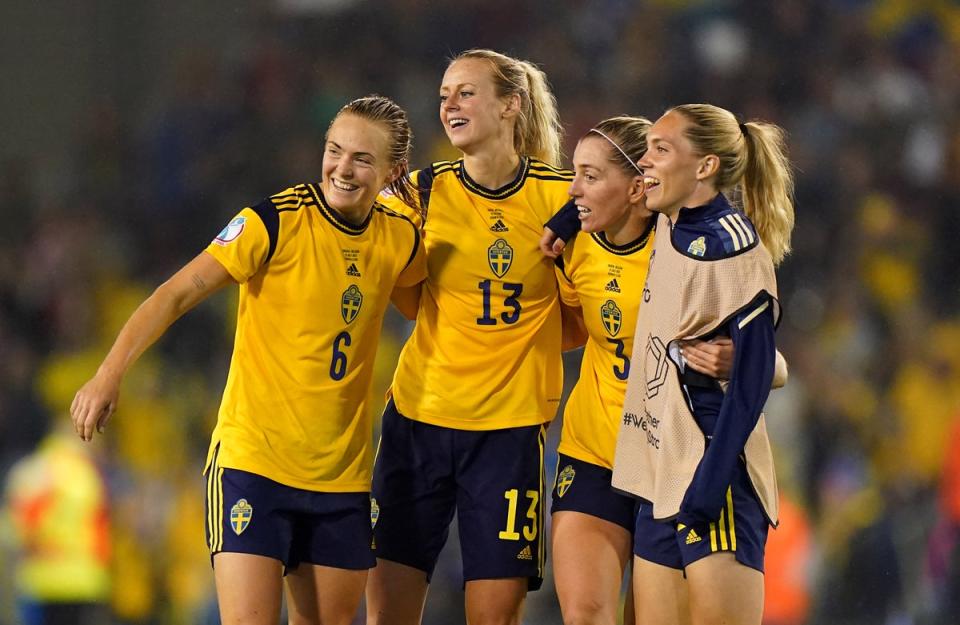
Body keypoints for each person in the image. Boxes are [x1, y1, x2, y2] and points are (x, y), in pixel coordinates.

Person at [70, 95, 426, 625]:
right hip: (252, 466)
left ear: (394, 172)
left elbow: (437, 304)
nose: (342, 169)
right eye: (334, 151)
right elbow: (173, 295)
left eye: (361, 159)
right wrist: (108, 373)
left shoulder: (399, 237)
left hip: (343, 481)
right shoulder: (273, 222)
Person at [551, 116, 787, 625]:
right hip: (620, 453)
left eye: (660, 151)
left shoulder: (703, 241)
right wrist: (564, 221)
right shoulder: (598, 241)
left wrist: (759, 366)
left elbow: (756, 355)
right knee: (588, 612)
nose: (574, 189)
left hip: (691, 457)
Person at [365, 49, 572, 625]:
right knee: (388, 613)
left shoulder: (563, 200)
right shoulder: (418, 194)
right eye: (443, 95)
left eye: (465, 92)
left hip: (507, 437)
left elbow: (588, 306)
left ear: (512, 104)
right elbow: (393, 291)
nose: (449, 105)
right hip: (418, 420)